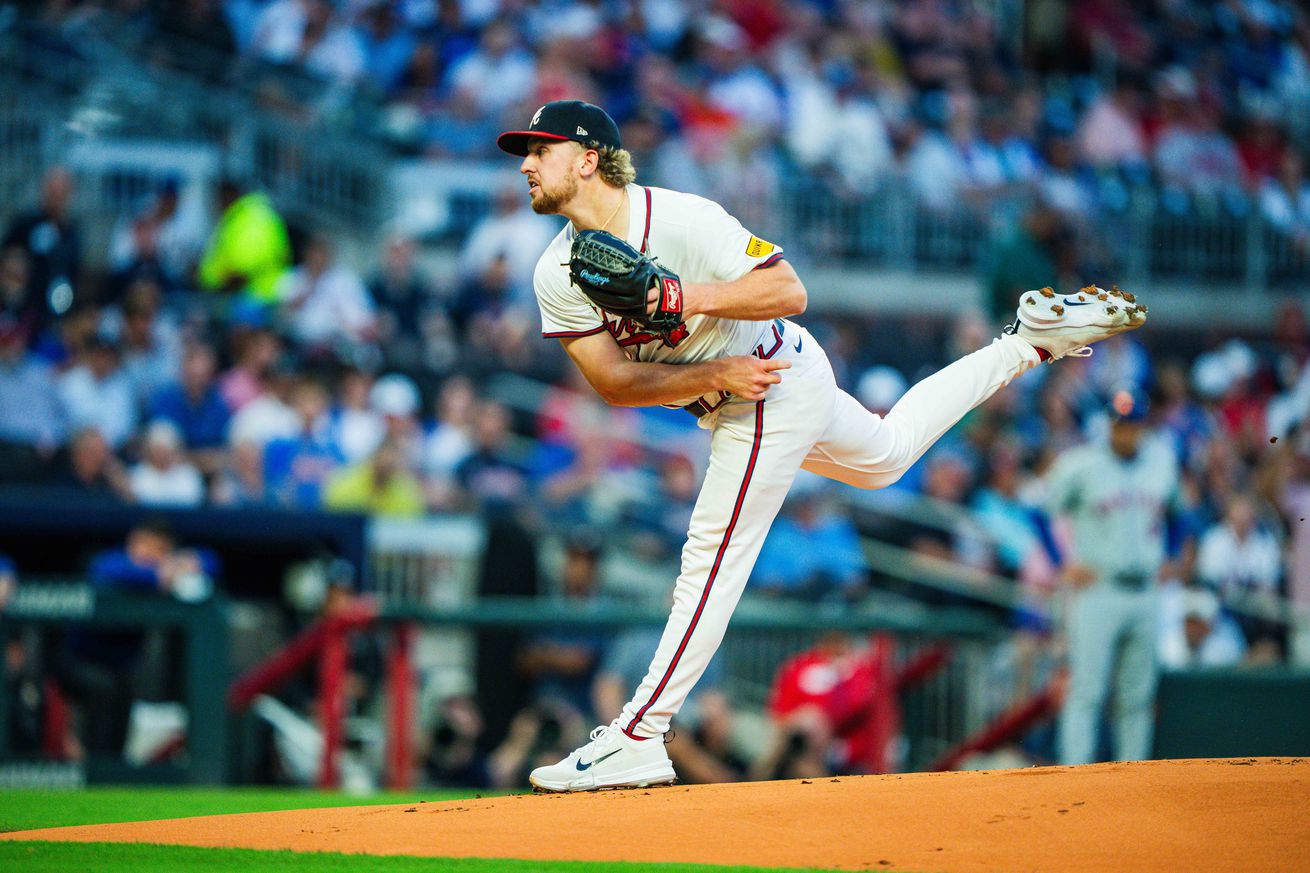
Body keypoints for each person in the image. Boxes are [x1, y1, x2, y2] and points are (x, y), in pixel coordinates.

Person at [498, 100, 1146, 792]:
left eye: (541, 149)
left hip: (771, 382)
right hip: (737, 384)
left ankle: (640, 733)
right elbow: (615, 383)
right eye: (525, 154)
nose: (527, 164)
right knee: (890, 454)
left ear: (589, 158)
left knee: (711, 556)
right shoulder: (555, 272)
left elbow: (788, 287)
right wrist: (711, 370)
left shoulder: (679, 218)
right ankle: (1026, 343)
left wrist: (682, 297)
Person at [1043, 387, 1183, 766]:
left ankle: (1132, 776)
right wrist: (1062, 560)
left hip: (1146, 590)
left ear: (1143, 426)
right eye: (1120, 424)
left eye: (1133, 424)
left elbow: (1178, 514)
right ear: (1109, 424)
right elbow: (1041, 511)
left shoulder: (1162, 462)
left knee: (1137, 694)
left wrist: (1172, 554)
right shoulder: (1081, 465)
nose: (1126, 432)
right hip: (1098, 589)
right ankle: (1074, 773)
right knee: (1087, 689)